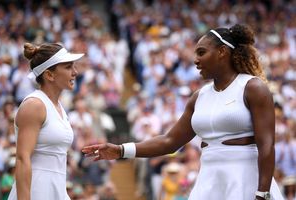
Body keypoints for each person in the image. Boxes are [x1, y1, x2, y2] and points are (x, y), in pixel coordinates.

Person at [82, 24, 285, 200]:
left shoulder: (253, 87)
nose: (195, 60)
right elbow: (169, 141)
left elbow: (267, 145)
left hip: (245, 179)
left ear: (222, 52)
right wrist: (121, 150)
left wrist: (263, 193)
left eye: (201, 52)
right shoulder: (199, 96)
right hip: (209, 179)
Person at [8, 42, 84, 200]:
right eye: (68, 67)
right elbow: (23, 159)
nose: (75, 72)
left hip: (57, 189)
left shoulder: (60, 108)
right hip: (35, 191)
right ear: (49, 75)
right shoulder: (34, 105)